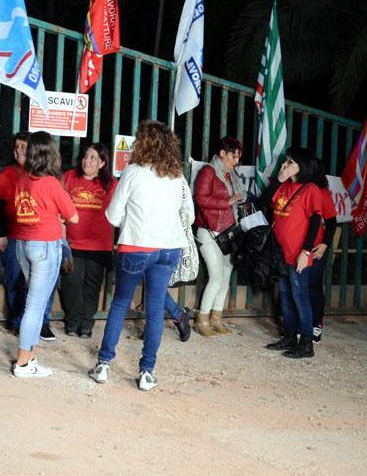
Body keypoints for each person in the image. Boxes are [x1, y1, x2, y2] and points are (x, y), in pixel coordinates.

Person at [88, 120, 192, 392]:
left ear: (143, 144)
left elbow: (113, 215)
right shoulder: (178, 176)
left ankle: (103, 365)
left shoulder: (133, 172)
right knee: (156, 309)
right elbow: (185, 212)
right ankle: (147, 372)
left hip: (136, 245)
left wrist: (130, 220)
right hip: (168, 247)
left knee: (121, 303)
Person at [11, 132, 78, 378]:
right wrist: (57, 213)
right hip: (45, 247)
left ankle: (31, 358)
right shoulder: (51, 183)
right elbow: (73, 216)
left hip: (24, 244)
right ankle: (22, 364)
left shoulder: (22, 180)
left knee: (33, 303)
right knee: (36, 305)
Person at [259, 147, 325, 359]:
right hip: (279, 254)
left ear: (302, 166)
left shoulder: (310, 189)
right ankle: (289, 336)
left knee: (300, 297)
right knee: (285, 297)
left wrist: (306, 251)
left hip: (297, 254)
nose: (285, 165)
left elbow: (316, 220)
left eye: (291, 162)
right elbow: (263, 203)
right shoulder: (284, 186)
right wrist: (278, 180)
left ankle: (306, 343)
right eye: (286, 161)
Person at [0, 133, 55, 340]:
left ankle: (43, 322)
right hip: (13, 236)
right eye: (16, 147)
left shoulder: (44, 175)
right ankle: (18, 321)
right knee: (15, 278)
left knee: (45, 281)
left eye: (24, 147)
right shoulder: (7, 174)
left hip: (39, 236)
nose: (19, 151)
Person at [61, 143, 117, 338]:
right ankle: (72, 320)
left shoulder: (111, 184)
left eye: (93, 158)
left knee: (92, 285)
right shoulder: (69, 177)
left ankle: (86, 323)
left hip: (99, 245)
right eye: (86, 156)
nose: (87, 161)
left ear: (102, 163)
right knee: (71, 282)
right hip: (72, 243)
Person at [193, 136, 246, 336]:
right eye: (234, 156)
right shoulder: (208, 172)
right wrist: (228, 200)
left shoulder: (232, 175)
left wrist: (240, 200)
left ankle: (217, 318)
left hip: (228, 232)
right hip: (208, 231)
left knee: (225, 277)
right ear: (222, 153)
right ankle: (202, 319)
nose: (236, 161)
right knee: (216, 276)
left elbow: (237, 199)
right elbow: (200, 199)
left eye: (238, 157)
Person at [308, 173, 338, 343]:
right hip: (294, 248)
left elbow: (332, 222)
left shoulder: (322, 193)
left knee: (314, 287)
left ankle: (316, 325)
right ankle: (300, 324)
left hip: (316, 247)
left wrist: (325, 244)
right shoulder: (294, 188)